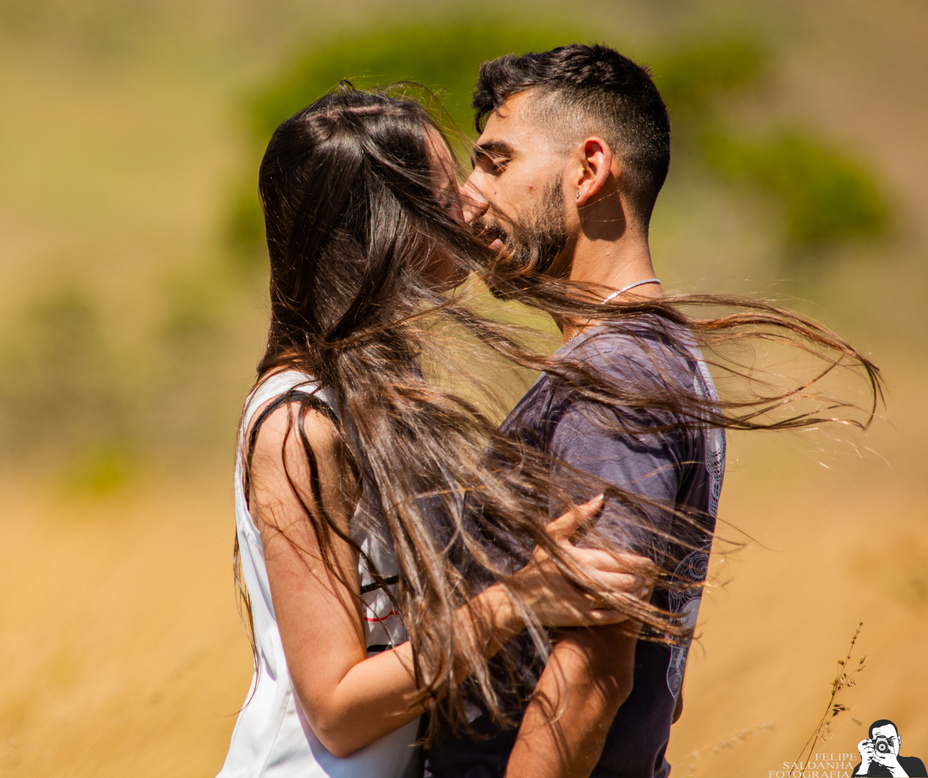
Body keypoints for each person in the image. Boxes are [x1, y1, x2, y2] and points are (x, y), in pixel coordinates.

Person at [426, 43, 882, 778]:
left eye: (496, 163)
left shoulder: (619, 373)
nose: (471, 195)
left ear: (589, 169)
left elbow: (590, 679)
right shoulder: (640, 355)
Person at [216, 85, 658, 778]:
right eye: (445, 193)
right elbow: (336, 711)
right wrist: (518, 599)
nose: (471, 206)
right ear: (384, 223)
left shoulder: (373, 394)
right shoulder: (299, 421)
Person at [854, 720, 927, 777]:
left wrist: (894, 767)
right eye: (879, 741)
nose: (885, 745)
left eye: (890, 739)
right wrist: (864, 766)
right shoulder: (863, 769)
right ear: (871, 743)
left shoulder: (914, 764)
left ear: (899, 741)